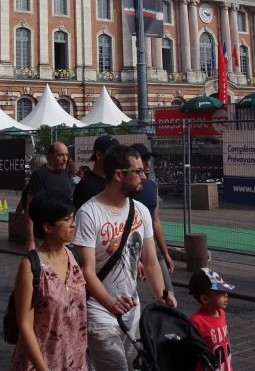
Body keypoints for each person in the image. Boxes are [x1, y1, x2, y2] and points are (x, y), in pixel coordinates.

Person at [74, 145, 176, 370]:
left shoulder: (140, 211)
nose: (144, 176)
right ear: (119, 175)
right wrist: (110, 304)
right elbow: (86, 271)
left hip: (133, 312)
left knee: (138, 365)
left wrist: (162, 295)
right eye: (137, 172)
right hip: (99, 311)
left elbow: (149, 262)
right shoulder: (89, 213)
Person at [10, 190, 87, 371]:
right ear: (48, 226)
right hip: (40, 362)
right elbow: (25, 325)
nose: (73, 224)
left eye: (73, 218)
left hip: (75, 362)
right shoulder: (31, 266)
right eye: (67, 220)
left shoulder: (76, 258)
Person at [132, 143, 174, 294]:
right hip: (130, 248)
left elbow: (156, 221)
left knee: (167, 292)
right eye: (144, 159)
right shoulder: (125, 188)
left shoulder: (151, 185)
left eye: (148, 159)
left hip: (150, 245)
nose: (147, 163)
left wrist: (165, 253)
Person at [24, 142, 74, 251]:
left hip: (65, 235)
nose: (65, 159)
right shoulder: (40, 175)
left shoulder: (67, 174)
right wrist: (30, 240)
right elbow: (29, 209)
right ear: (50, 156)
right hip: (45, 237)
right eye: (60, 155)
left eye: (66, 155)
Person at [188, 267, 236, 371]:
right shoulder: (196, 321)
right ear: (205, 299)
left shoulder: (221, 313)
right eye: (220, 293)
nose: (226, 295)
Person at [72, 134, 119, 210]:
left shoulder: (115, 182)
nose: (117, 159)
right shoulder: (85, 187)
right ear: (99, 155)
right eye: (113, 155)